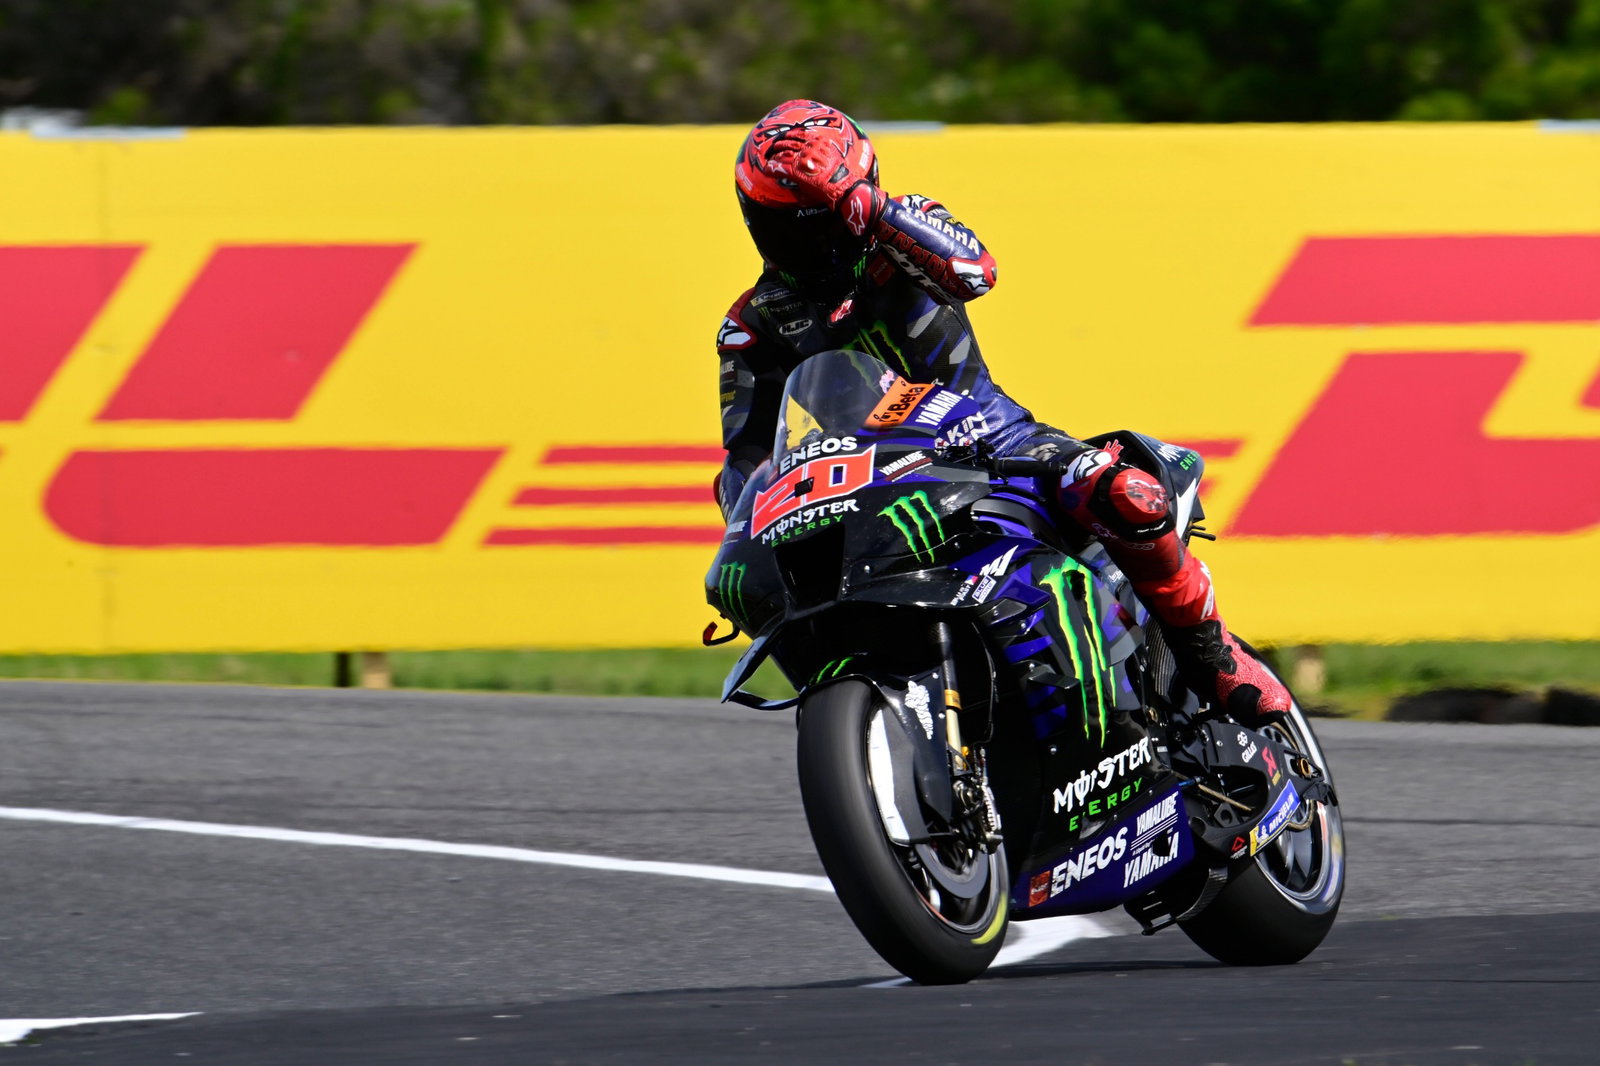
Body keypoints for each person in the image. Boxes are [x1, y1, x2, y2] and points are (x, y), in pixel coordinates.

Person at [714, 99, 1288, 724]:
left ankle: (1211, 653)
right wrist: (744, 525)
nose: (808, 243)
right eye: (785, 225)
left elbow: (974, 272)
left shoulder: (906, 230)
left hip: (984, 432)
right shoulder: (749, 325)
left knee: (1123, 491)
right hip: (861, 482)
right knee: (753, 583)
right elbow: (747, 453)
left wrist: (874, 213)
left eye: (823, 222)